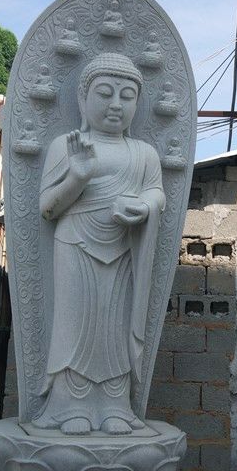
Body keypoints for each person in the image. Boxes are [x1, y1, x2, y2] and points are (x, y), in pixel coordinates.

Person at [33, 53, 165, 435]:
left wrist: (144, 206)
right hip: (75, 244)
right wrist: (77, 177)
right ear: (83, 98)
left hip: (123, 249)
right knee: (74, 329)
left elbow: (156, 193)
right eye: (105, 94)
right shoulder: (66, 146)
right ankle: (68, 406)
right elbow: (47, 207)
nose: (116, 104)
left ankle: (114, 405)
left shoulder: (144, 154)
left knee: (114, 330)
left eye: (127, 96)